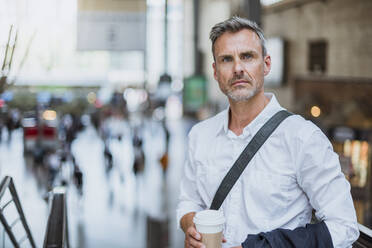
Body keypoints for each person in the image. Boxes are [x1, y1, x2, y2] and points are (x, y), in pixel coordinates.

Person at [177, 16, 359, 248]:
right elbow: (188, 201)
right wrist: (190, 224)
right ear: (215, 72)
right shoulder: (200, 135)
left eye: (247, 56)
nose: (238, 68)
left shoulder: (302, 138)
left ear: (266, 64)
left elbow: (344, 227)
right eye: (226, 59)